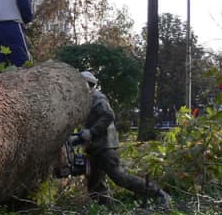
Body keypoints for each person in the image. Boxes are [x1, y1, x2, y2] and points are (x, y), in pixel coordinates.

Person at [72, 71, 172, 207]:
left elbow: (108, 115)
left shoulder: (97, 98)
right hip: (95, 147)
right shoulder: (87, 100)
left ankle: (159, 193)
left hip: (105, 147)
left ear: (87, 84)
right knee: (95, 182)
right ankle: (104, 209)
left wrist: (92, 132)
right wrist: (77, 140)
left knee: (119, 177)